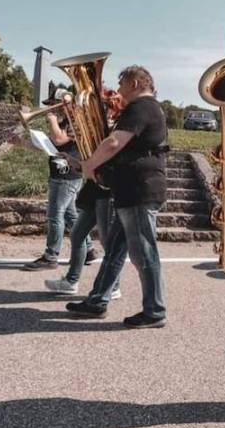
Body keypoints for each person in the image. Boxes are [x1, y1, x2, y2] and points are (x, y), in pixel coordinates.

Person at [66, 65, 169, 329]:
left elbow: (113, 143)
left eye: (122, 83)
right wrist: (87, 165)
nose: (119, 89)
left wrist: (89, 164)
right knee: (115, 251)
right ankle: (97, 301)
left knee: (143, 253)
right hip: (131, 190)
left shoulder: (141, 107)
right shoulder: (144, 108)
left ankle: (154, 311)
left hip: (139, 190)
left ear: (135, 83)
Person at [19, 107, 97, 272]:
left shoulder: (75, 122)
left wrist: (52, 120)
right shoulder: (64, 122)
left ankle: (51, 256)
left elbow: (59, 139)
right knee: (71, 216)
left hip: (66, 177)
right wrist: (19, 142)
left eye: (52, 104)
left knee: (55, 216)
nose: (49, 109)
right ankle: (88, 250)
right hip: (63, 176)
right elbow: (49, 147)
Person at [41, 180, 123, 299]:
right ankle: (71, 281)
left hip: (106, 191)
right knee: (77, 234)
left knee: (108, 243)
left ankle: (113, 287)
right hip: (94, 190)